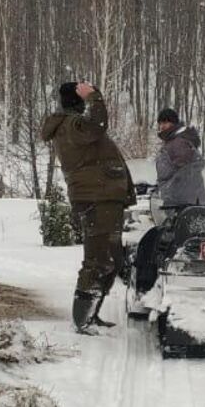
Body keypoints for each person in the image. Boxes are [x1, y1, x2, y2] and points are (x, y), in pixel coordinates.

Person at [40, 81, 135, 333]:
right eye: (82, 98)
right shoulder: (73, 125)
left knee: (110, 259)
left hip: (101, 197)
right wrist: (95, 97)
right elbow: (97, 125)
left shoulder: (70, 125)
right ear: (78, 101)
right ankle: (84, 320)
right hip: (98, 199)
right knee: (99, 260)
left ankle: (91, 315)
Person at [131, 108, 205, 296]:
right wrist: (157, 188)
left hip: (182, 204)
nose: (162, 126)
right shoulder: (177, 142)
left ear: (174, 123)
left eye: (166, 122)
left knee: (154, 242)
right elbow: (174, 175)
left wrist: (169, 189)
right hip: (183, 201)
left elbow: (185, 172)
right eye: (160, 122)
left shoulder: (179, 143)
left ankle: (146, 287)